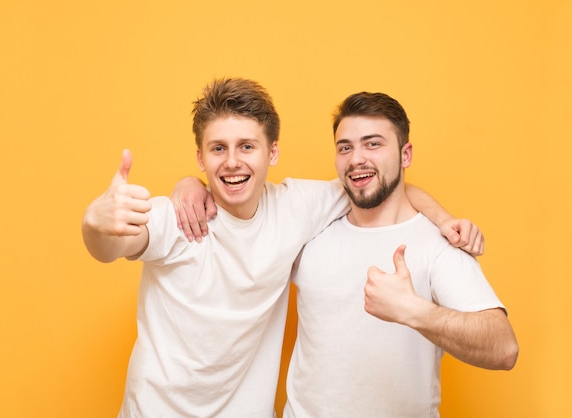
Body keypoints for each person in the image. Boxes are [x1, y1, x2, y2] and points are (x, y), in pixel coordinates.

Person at [83, 77, 481, 417]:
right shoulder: (178, 215)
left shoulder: (296, 206)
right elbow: (112, 244)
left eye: (247, 147)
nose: (232, 162)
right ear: (200, 159)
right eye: (218, 148)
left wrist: (445, 221)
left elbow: (381, 182)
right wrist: (94, 224)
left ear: (272, 152)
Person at [282, 92, 519, 417]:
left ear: (405, 155)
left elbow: (504, 348)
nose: (356, 159)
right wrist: (189, 186)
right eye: (345, 147)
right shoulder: (312, 228)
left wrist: (414, 311)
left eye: (373, 144)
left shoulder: (439, 243)